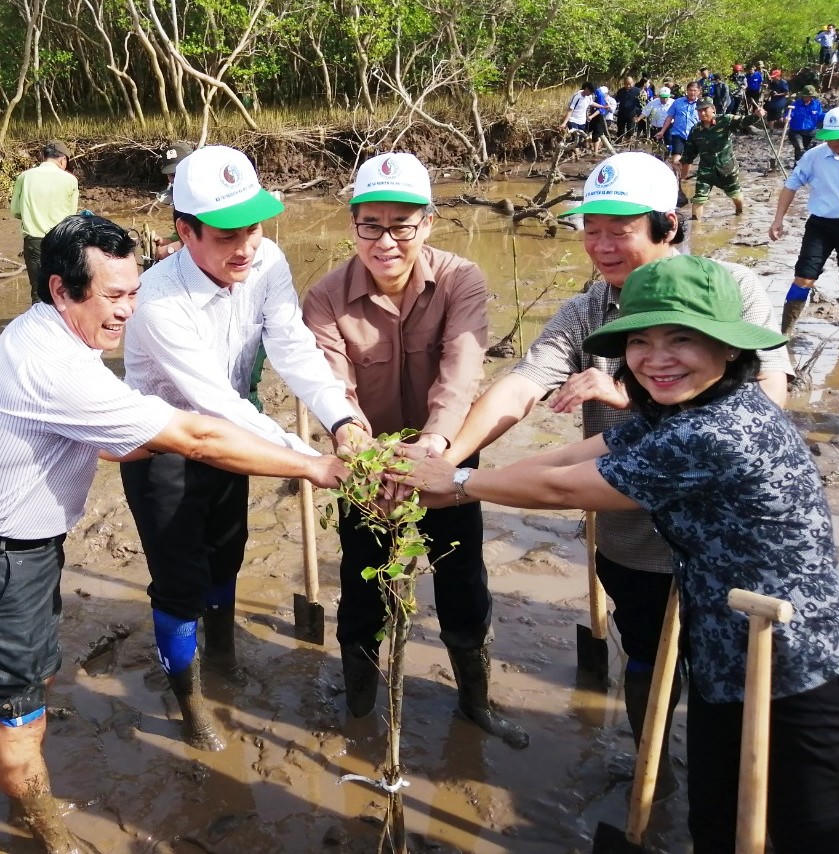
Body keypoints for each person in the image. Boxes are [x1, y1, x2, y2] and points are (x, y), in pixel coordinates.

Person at [396, 254, 839, 854]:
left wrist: (454, 487)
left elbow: (568, 491)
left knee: (810, 832)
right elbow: (572, 459)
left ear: (730, 350)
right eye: (641, 341)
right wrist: (451, 468)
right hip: (721, 650)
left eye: (681, 339)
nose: (656, 358)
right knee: (715, 824)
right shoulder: (670, 410)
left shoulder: (718, 429)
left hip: (791, 663)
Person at [0, 214, 345, 853]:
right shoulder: (56, 365)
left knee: (36, 678)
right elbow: (199, 434)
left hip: (28, 551)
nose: (129, 311)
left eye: (134, 292)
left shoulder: (53, 336)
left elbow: (110, 443)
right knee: (16, 720)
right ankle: (51, 837)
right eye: (113, 297)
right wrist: (315, 465)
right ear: (61, 289)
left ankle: (29, 750)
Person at [440, 151, 790, 799]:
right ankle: (651, 770)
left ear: (668, 226)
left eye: (619, 229)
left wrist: (644, 396)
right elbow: (520, 387)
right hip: (632, 531)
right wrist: (450, 458)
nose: (600, 246)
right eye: (590, 228)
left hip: (727, 541)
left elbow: (767, 403)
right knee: (646, 656)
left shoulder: (732, 291)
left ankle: (736, 790)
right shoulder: (586, 311)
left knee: (737, 681)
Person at [119, 145, 364, 751]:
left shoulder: (266, 261)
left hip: (233, 435)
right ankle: (192, 704)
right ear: (185, 233)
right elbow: (214, 405)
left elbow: (291, 346)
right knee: (178, 580)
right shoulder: (157, 301)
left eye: (253, 226)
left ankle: (223, 656)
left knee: (227, 556)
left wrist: (343, 420)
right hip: (165, 450)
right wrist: (312, 464)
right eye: (227, 234)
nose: (246, 246)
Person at [301, 152, 527, 749]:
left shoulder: (461, 280)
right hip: (365, 466)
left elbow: (461, 371)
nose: (386, 241)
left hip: (446, 456)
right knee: (361, 585)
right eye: (371, 224)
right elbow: (333, 390)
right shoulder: (325, 299)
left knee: (462, 582)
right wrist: (364, 454)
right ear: (352, 226)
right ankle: (359, 708)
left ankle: (475, 703)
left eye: (402, 225)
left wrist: (433, 452)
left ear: (427, 223)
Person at [769, 106, 839, 334]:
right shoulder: (814, 156)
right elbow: (791, 185)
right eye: (828, 138)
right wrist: (778, 220)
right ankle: (785, 334)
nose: (831, 143)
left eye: (837, 138)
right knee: (803, 278)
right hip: (820, 226)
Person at [10, 140, 79, 303]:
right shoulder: (70, 180)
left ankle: (37, 324)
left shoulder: (24, 177)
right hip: (60, 241)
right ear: (63, 160)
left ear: (44, 157)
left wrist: (31, 215)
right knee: (62, 290)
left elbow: (15, 211)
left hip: (34, 242)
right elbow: (72, 216)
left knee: (38, 292)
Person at [679, 97, 766, 220]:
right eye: (699, 111)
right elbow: (688, 155)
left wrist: (756, 115)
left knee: (735, 195)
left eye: (705, 109)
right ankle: (696, 227)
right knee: (698, 198)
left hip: (726, 168)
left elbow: (743, 121)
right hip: (706, 170)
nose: (702, 113)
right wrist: (682, 176)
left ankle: (739, 213)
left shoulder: (726, 120)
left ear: (713, 109)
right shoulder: (695, 130)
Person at [147, 140, 195, 267]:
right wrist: (166, 241)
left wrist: (171, 249)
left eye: (178, 173)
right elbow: (185, 231)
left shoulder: (205, 195)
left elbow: (208, 237)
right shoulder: (181, 195)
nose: (174, 179)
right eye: (171, 175)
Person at [656, 80, 702, 172]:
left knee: (687, 161)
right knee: (675, 159)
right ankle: (676, 177)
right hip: (678, 134)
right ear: (687, 90)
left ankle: (682, 180)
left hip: (693, 136)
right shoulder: (678, 102)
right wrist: (662, 131)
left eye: (695, 90)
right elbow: (669, 117)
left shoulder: (701, 104)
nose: (692, 92)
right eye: (690, 90)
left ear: (699, 91)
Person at [786, 85, 825, 165]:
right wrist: (787, 117)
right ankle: (798, 166)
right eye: (807, 96)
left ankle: (802, 166)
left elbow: (820, 116)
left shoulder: (816, 104)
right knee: (800, 148)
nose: (809, 98)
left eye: (811, 96)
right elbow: (789, 114)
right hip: (796, 132)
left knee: (807, 150)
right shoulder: (795, 104)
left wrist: (828, 116)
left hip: (810, 132)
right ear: (803, 96)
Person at [588, 85, 614, 155]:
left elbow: (601, 110)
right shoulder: (597, 94)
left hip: (599, 117)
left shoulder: (600, 95)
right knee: (591, 133)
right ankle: (593, 149)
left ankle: (595, 152)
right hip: (593, 116)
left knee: (597, 134)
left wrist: (591, 116)